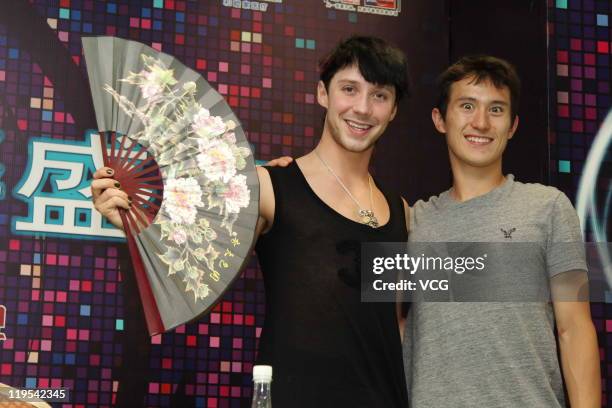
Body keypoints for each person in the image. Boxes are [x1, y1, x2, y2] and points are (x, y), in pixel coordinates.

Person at [91, 36, 411, 407]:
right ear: (323, 94)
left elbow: (396, 325)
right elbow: (197, 277)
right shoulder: (270, 187)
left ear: (393, 110)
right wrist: (134, 225)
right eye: (349, 89)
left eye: (380, 96)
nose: (363, 108)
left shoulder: (400, 210)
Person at [402, 55, 600, 407]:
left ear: (512, 126)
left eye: (496, 110)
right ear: (439, 119)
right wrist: (291, 177)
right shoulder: (410, 223)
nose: (480, 122)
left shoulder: (549, 208)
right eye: (466, 106)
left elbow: (575, 330)